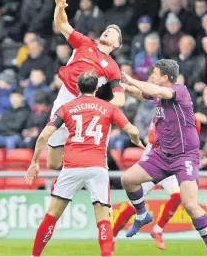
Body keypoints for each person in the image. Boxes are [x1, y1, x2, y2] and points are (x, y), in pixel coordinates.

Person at [24, 71, 144, 257]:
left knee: (51, 216)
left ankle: (35, 255)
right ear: (97, 88)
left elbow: (43, 136)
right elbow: (132, 130)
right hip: (97, 168)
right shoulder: (108, 108)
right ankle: (106, 254)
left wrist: (34, 162)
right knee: (103, 219)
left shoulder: (66, 108)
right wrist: (136, 140)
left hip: (71, 168)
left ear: (78, 88)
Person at [120, 59, 207, 257]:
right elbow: (141, 93)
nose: (152, 76)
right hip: (161, 154)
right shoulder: (157, 92)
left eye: (155, 73)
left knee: (191, 205)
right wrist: (123, 86)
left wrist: (132, 78)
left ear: (165, 77)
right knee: (127, 179)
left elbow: (156, 92)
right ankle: (142, 215)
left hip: (184, 156)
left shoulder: (179, 90)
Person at [47, 0, 126, 171]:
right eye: (107, 29)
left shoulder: (112, 67)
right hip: (61, 104)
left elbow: (120, 100)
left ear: (117, 44)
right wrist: (60, 7)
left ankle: (81, 175)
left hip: (83, 111)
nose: (108, 30)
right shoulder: (84, 43)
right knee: (52, 164)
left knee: (82, 158)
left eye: (113, 32)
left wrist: (98, 110)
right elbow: (62, 24)